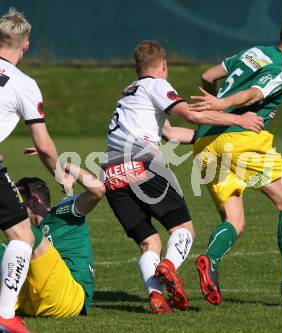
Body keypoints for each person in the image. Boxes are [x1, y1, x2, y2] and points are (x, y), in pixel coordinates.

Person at [104, 40, 264, 314]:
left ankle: (156, 296)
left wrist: (214, 138)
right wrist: (239, 121)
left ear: (137, 67)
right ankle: (168, 267)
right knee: (183, 230)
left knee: (149, 242)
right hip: (142, 165)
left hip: (111, 174)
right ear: (163, 65)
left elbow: (172, 133)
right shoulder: (157, 85)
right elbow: (189, 115)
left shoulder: (129, 93)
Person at [190, 8, 282, 304]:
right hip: (239, 138)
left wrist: (212, 106)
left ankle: (209, 259)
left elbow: (207, 74)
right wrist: (223, 104)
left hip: (205, 143)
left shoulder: (256, 51)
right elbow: (253, 93)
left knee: (235, 220)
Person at [0, 8, 72, 332]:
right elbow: (43, 145)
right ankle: (5, 316)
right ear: (25, 45)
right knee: (21, 236)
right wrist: (60, 173)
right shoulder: (24, 83)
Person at [0, 163, 105, 318]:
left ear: (34, 201)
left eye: (20, 203)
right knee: (18, 247)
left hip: (70, 297)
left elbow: (97, 190)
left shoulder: (61, 213)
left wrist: (60, 163)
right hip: (34, 301)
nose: (17, 209)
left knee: (25, 237)